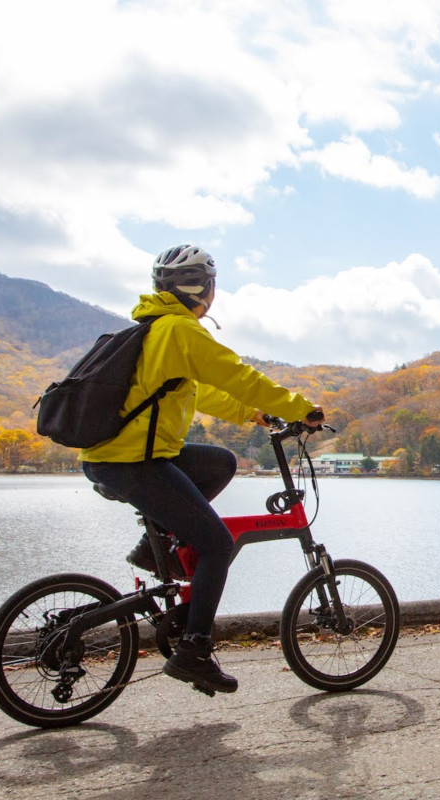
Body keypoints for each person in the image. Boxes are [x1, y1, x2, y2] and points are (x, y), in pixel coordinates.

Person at [81, 244, 321, 694]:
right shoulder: (180, 331)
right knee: (215, 543)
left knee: (221, 462)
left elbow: (200, 392)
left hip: (120, 457)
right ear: (205, 289)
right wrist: (301, 408)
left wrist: (252, 414)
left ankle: (157, 548)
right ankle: (194, 649)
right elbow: (239, 375)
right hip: (134, 462)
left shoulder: (158, 328)